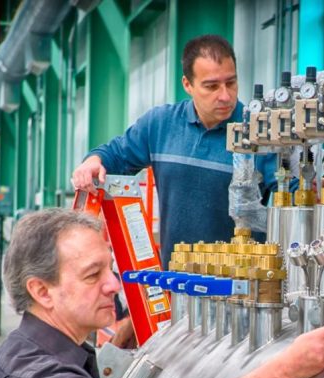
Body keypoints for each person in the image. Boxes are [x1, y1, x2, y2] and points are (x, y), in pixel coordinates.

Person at [0, 209, 324, 378]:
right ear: (41, 291)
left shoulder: (38, 352)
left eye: (110, 270)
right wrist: (286, 369)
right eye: (92, 274)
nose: (114, 285)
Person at [71, 34, 276, 269]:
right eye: (211, 86)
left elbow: (291, 201)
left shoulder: (262, 133)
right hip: (176, 284)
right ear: (187, 84)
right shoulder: (161, 125)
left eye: (231, 82)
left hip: (241, 288)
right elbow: (116, 154)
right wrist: (93, 161)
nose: (225, 96)